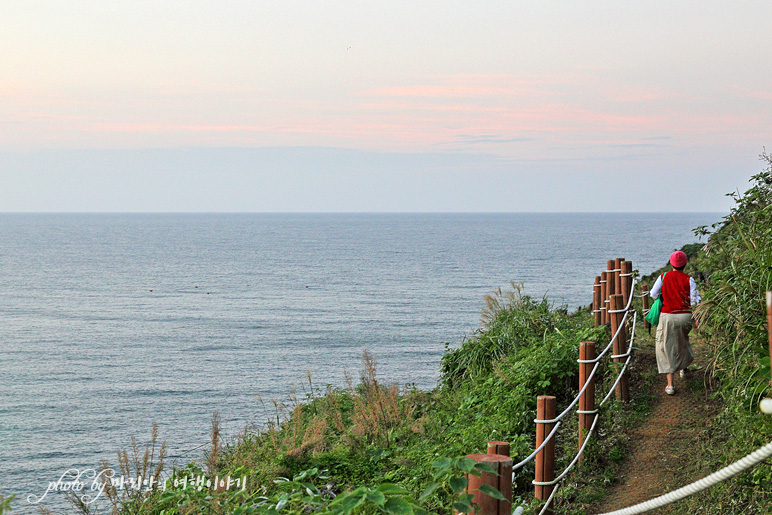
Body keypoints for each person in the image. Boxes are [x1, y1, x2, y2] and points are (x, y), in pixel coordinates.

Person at [648, 250, 700, 395]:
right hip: (686, 317)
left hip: (668, 316)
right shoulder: (689, 279)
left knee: (664, 347)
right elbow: (695, 301)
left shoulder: (663, 276)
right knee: (682, 339)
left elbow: (653, 294)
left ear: (671, 263)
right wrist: (696, 321)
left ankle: (670, 385)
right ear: (685, 264)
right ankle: (684, 368)